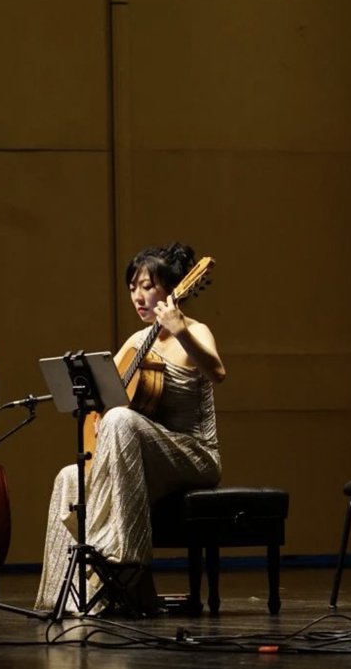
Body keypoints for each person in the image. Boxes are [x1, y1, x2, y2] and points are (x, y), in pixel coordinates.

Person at [34, 243, 225, 615]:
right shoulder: (136, 342)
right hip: (145, 458)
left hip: (194, 455)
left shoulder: (195, 330)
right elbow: (109, 399)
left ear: (172, 290)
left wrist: (180, 331)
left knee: (122, 421)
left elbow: (217, 371)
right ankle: (72, 598)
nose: (138, 296)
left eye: (147, 286)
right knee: (68, 477)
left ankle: (126, 565)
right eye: (133, 287)